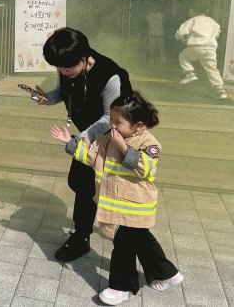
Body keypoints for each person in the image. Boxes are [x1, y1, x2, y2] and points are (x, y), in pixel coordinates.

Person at [51, 92, 183, 306]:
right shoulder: (108, 138)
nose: (111, 124)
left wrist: (122, 147)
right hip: (119, 204)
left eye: (118, 122)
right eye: (111, 119)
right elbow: (93, 157)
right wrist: (71, 142)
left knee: (123, 245)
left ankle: (122, 287)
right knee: (143, 241)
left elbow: (145, 168)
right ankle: (167, 274)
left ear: (138, 126)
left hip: (135, 206)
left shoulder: (149, 142)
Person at [31, 27, 132, 262]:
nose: (63, 73)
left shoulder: (110, 75)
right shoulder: (68, 64)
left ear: (84, 58)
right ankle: (83, 235)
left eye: (68, 69)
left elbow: (110, 117)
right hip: (89, 136)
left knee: (98, 187)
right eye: (59, 69)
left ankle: (97, 238)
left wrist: (87, 136)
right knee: (80, 182)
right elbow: (63, 92)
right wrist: (46, 99)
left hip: (113, 138)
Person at [175, 5, 228, 100]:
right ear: (206, 11)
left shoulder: (192, 21)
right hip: (210, 49)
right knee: (212, 69)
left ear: (192, 10)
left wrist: (182, 38)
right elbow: (217, 35)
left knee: (183, 56)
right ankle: (220, 90)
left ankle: (190, 74)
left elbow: (179, 34)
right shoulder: (213, 22)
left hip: (196, 47)